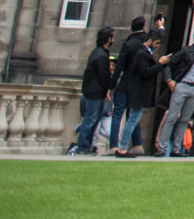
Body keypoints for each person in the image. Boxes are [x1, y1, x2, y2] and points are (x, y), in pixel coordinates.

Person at [157, 27, 194, 157]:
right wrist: (169, 80)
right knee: (171, 117)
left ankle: (176, 149)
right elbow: (170, 64)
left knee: (185, 120)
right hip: (182, 85)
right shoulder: (186, 51)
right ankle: (162, 148)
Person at [112, 31, 162, 157]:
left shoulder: (143, 52)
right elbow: (145, 72)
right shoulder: (141, 53)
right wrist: (160, 64)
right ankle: (122, 147)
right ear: (149, 41)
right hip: (138, 90)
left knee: (133, 119)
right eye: (156, 43)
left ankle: (123, 147)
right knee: (133, 119)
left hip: (139, 90)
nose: (157, 46)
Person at [69, 26, 115, 155]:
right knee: (90, 120)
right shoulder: (100, 55)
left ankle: (87, 146)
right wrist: (107, 89)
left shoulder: (99, 53)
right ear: (108, 39)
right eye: (112, 37)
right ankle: (83, 146)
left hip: (95, 91)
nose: (113, 39)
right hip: (94, 92)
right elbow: (103, 76)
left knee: (93, 121)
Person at [106, 17, 145, 154]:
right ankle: (137, 143)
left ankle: (114, 145)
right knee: (133, 115)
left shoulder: (128, 43)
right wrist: (161, 27)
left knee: (118, 114)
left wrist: (111, 85)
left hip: (125, 82)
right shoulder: (145, 42)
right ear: (144, 27)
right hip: (137, 84)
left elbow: (119, 67)